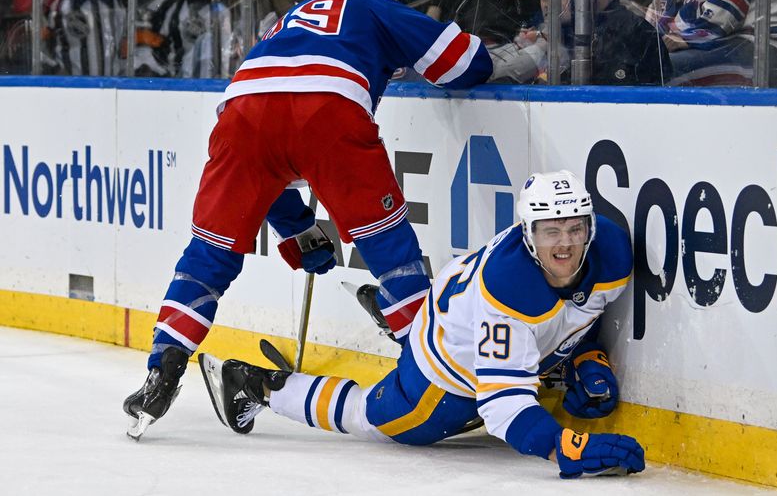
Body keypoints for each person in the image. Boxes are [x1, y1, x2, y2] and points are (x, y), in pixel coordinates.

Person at [123, 0, 493, 439]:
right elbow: (465, 63)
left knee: (208, 257)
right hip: (327, 110)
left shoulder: (286, 23)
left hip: (241, 114)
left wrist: (299, 232)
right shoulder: (372, 5)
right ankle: (435, 375)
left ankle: (162, 370)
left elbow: (270, 157)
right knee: (391, 254)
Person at [198, 170, 646, 479]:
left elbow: (577, 315)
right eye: (551, 230)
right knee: (372, 417)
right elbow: (502, 409)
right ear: (528, 234)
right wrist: (565, 449)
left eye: (575, 228)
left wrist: (585, 356)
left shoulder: (610, 250)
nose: (566, 243)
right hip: (446, 373)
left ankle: (398, 322)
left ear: (590, 226)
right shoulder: (508, 293)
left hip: (463, 315)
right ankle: (256, 385)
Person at [134, 0, 240, 78]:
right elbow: (141, 55)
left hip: (234, 90)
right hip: (179, 91)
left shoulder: (245, 3)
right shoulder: (170, 0)